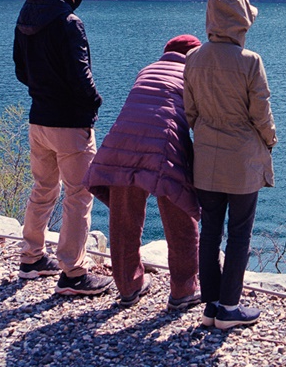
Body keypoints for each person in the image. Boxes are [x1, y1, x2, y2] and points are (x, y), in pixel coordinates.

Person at [12, 0, 113, 297]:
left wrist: (42, 92)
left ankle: (31, 258)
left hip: (38, 117)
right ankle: (73, 273)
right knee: (79, 195)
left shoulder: (27, 16)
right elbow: (80, 74)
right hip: (70, 123)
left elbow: (20, 70)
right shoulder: (69, 22)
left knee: (43, 188)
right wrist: (94, 103)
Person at [86, 35, 203, 309]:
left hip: (122, 141)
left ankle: (128, 287)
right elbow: (200, 117)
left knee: (124, 218)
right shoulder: (194, 72)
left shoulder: (147, 68)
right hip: (164, 143)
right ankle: (183, 290)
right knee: (181, 217)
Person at [183, 0, 276, 330]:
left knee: (209, 230)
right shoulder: (250, 61)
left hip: (205, 157)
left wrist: (207, 132)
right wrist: (270, 141)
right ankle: (230, 307)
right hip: (243, 161)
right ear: (241, 22)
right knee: (239, 233)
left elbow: (189, 111)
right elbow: (261, 114)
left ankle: (210, 305)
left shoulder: (193, 58)